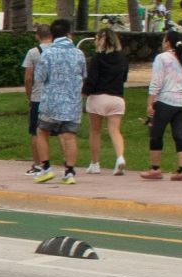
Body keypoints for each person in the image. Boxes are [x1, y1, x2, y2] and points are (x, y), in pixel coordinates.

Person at [33, 20, 88, 183]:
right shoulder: (78, 53)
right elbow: (84, 74)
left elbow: (39, 77)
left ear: (52, 34)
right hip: (72, 103)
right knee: (69, 136)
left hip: (51, 102)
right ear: (69, 33)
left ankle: (46, 168)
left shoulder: (47, 53)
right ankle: (69, 172)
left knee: (42, 132)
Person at [144, 29, 182, 178]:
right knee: (181, 135)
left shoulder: (162, 58)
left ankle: (155, 169)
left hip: (165, 101)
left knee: (156, 134)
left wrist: (150, 103)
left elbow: (156, 82)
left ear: (167, 43)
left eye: (164, 40)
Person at [84, 25, 130, 173]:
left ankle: (95, 164)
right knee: (115, 130)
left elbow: (92, 80)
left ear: (100, 40)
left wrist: (84, 92)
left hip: (98, 98)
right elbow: (124, 78)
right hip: (117, 99)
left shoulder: (97, 58)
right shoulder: (123, 59)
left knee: (95, 131)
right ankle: (120, 157)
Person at [23, 24, 54, 176]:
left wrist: (29, 95)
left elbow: (28, 78)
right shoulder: (59, 51)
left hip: (38, 96)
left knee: (36, 132)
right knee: (64, 132)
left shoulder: (33, 52)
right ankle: (68, 165)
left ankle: (38, 164)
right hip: (56, 97)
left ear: (37, 35)